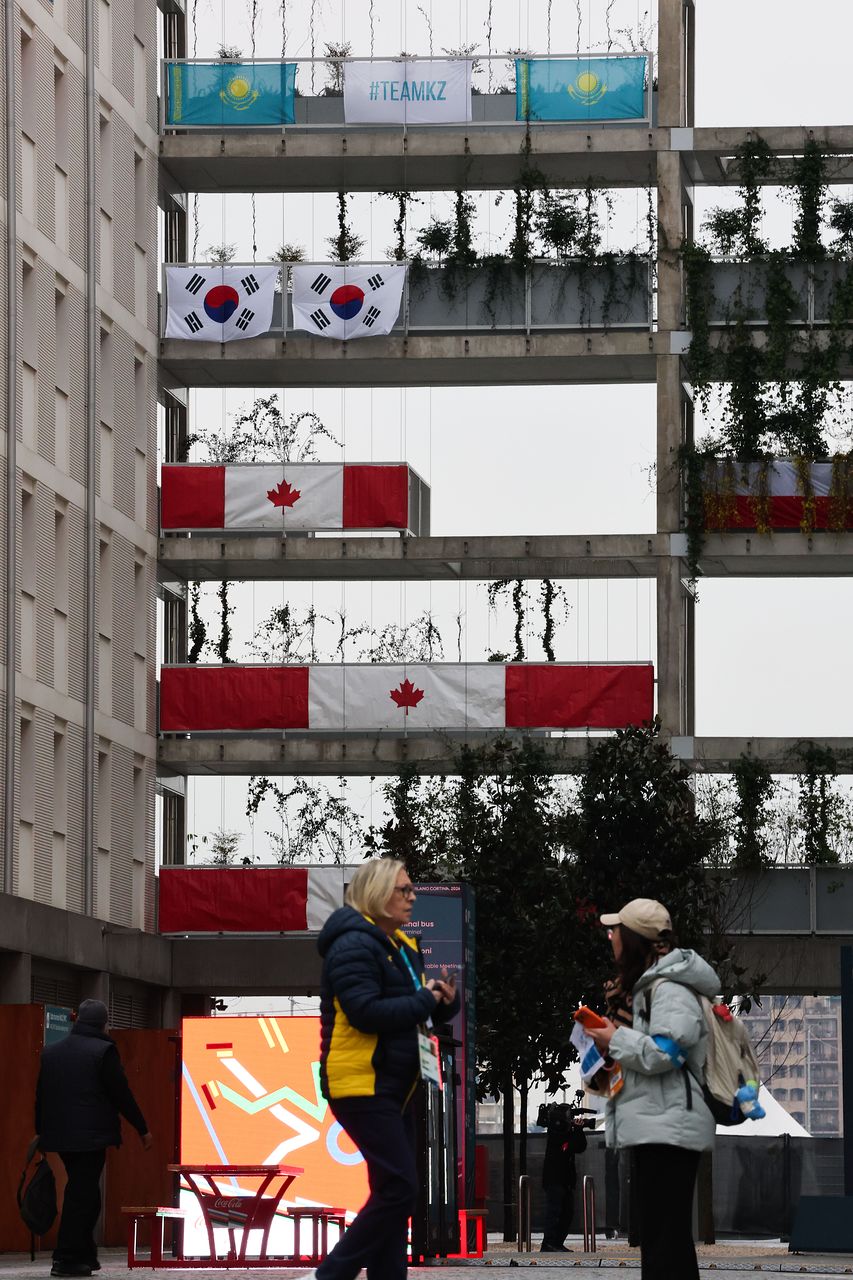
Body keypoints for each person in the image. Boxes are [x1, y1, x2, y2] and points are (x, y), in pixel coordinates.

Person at [316, 858, 459, 1280]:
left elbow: (417, 1011)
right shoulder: (353, 944)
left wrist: (443, 1000)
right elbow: (365, 1012)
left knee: (392, 1194)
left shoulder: (401, 945)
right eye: (404, 890)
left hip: (398, 1086)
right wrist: (426, 1000)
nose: (413, 897)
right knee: (400, 1188)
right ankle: (330, 1274)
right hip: (361, 1082)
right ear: (377, 894)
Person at [585, 898, 719, 1280]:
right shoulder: (647, 988)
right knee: (661, 1238)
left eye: (615, 931)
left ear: (634, 940)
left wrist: (616, 1039)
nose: (610, 938)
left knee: (667, 1239)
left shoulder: (670, 988)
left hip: (670, 1125)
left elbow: (667, 1052)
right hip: (656, 1123)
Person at [35, 999, 153, 1278]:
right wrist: (142, 1128)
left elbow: (41, 1095)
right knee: (81, 1195)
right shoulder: (103, 1051)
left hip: (60, 1136)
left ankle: (85, 1254)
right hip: (90, 1138)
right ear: (103, 1023)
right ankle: (66, 1258)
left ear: (77, 1021)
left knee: (85, 1193)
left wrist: (40, 1131)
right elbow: (120, 1094)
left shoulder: (52, 1052)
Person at [539, 1102, 587, 1253]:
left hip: (565, 1180)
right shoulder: (556, 1134)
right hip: (555, 1179)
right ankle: (548, 1243)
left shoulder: (566, 1133)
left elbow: (580, 1146)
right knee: (554, 1212)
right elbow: (572, 1146)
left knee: (567, 1212)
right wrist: (577, 1129)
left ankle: (557, 1242)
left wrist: (578, 1129)